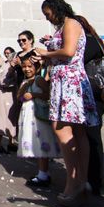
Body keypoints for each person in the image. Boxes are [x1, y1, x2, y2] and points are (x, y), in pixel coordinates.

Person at [34, 0, 99, 207]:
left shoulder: (71, 23)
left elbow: (69, 51)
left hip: (69, 80)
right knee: (78, 132)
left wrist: (46, 53)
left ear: (56, 8)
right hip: (65, 79)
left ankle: (74, 183)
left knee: (61, 128)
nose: (47, 17)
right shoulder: (65, 26)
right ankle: (81, 181)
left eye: (48, 13)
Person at [74, 14, 104, 197]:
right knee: (85, 135)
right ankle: (87, 177)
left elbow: (74, 61)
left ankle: (95, 180)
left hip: (92, 94)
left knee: (91, 136)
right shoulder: (88, 41)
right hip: (84, 93)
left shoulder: (89, 41)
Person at [16, 54, 61, 187]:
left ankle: (43, 174)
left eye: (30, 66)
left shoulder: (39, 79)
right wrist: (24, 91)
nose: (27, 69)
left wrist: (34, 94)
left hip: (38, 115)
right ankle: (42, 172)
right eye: (24, 67)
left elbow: (48, 94)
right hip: (28, 115)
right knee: (35, 143)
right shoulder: (25, 81)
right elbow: (19, 97)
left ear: (36, 67)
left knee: (42, 144)